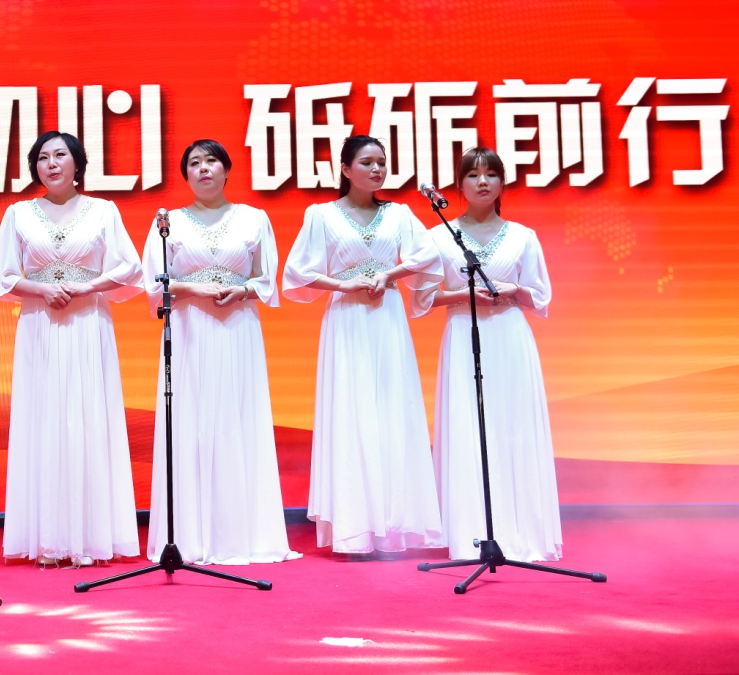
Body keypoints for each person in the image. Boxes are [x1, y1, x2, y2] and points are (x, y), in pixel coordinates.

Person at [281, 134, 444, 556]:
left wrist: (391, 275)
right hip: (347, 318)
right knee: (351, 411)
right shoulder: (321, 215)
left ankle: (393, 526)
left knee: (392, 409)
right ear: (345, 168)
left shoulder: (399, 214)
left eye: (381, 162)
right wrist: (343, 284)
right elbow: (297, 273)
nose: (376, 169)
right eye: (367, 162)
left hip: (387, 317)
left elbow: (429, 257)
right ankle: (355, 527)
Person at [141, 140, 299, 565]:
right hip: (190, 330)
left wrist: (242, 290)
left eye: (211, 161)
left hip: (238, 328)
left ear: (227, 170)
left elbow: (266, 280)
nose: (204, 168)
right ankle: (190, 537)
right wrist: (195, 289)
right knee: (189, 424)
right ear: (186, 176)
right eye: (194, 163)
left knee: (238, 419)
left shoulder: (254, 218)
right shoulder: (168, 222)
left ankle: (245, 536)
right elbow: (154, 283)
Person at [0, 131, 143, 567]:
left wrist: (87, 287)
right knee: (43, 419)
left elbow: (129, 267)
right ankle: (49, 540)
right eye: (43, 157)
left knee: (88, 416)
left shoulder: (104, 210)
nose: (52, 163)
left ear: (77, 163)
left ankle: (91, 538)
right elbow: (5, 276)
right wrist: (42, 290)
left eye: (61, 155)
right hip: (39, 324)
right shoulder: (19, 213)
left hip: (87, 322)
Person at [413, 147, 562, 562]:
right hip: (464, 333)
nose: (482, 181)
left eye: (491, 174)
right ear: (459, 185)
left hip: (511, 338)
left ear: (501, 183)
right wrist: (465, 295)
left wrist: (515, 291)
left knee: (513, 427)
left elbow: (541, 296)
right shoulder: (437, 236)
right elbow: (422, 299)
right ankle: (471, 533)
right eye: (473, 174)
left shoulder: (522, 236)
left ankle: (521, 532)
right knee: (468, 427)